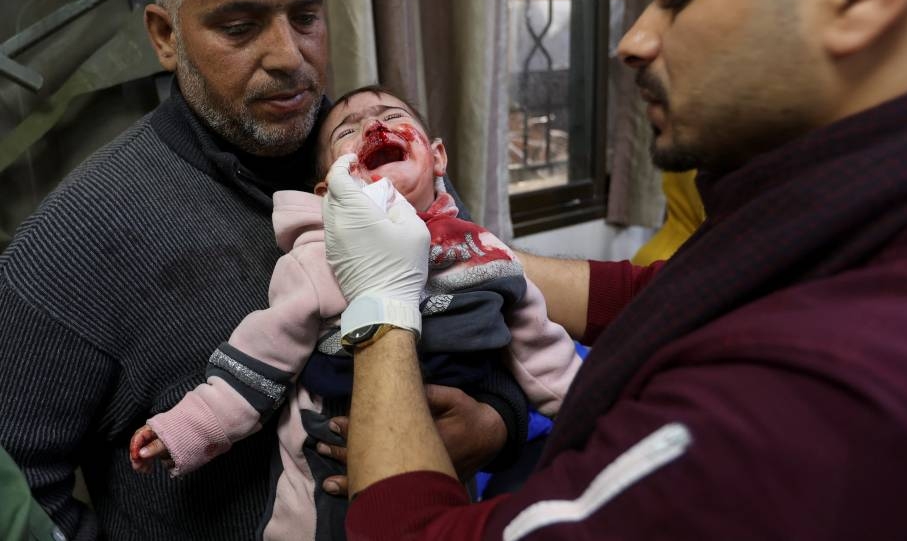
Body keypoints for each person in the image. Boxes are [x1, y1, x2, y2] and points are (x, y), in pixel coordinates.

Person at [321, 0, 907, 538]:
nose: (634, 40)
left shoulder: (810, 398)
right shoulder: (892, 204)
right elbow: (661, 295)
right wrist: (459, 249)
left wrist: (381, 298)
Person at [0, 0, 526, 540]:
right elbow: (19, 487)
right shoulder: (72, 240)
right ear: (166, 36)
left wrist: (495, 423)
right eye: (241, 27)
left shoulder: (388, 161)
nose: (288, 56)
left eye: (306, 16)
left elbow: (503, 324)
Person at [128, 86, 580, 540]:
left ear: (438, 158)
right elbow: (259, 359)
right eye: (348, 130)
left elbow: (540, 349)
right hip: (325, 466)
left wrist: (589, 408)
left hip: (439, 461)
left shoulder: (483, 251)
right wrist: (187, 429)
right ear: (328, 191)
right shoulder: (318, 260)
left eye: (391, 115)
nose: (372, 126)